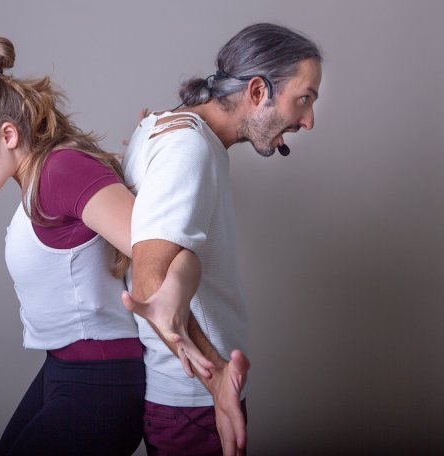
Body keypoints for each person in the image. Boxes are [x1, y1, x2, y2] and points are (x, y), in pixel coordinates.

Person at [0, 37, 209, 456]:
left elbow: (162, 251)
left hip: (100, 382)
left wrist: (177, 314)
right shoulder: (41, 177)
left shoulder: (60, 171)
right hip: (65, 369)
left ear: (8, 134)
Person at [120, 23, 323, 456]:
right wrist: (217, 382)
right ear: (257, 91)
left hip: (194, 401)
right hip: (194, 404)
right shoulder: (187, 149)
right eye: (304, 99)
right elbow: (149, 281)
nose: (308, 121)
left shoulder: (170, 129)